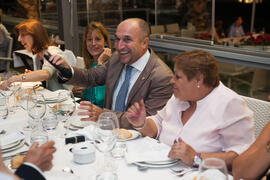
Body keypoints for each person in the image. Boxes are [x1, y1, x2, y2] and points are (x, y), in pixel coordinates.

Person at [126, 50, 254, 169]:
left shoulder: (229, 104)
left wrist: (197, 158)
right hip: (161, 169)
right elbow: (159, 123)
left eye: (177, 76)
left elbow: (244, 156)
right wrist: (141, 123)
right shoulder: (181, 97)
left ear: (198, 79)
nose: (172, 80)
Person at [50, 18, 173, 129]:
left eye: (127, 40)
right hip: (107, 135)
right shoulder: (117, 59)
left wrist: (104, 115)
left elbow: (147, 121)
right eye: (117, 39)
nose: (119, 47)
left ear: (144, 43)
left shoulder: (162, 77)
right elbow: (92, 77)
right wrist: (67, 70)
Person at [2, 19, 75, 91]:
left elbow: (45, 74)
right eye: (19, 35)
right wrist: (32, 75)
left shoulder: (52, 52)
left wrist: (16, 78)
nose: (19, 39)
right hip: (49, 97)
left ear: (35, 35)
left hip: (64, 99)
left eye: (23, 35)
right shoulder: (38, 55)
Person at [72, 21, 112, 108]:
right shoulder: (89, 65)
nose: (93, 43)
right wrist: (76, 91)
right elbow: (87, 98)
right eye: (89, 39)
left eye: (97, 39)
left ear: (105, 42)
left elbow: (99, 99)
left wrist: (100, 63)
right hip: (87, 114)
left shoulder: (111, 66)